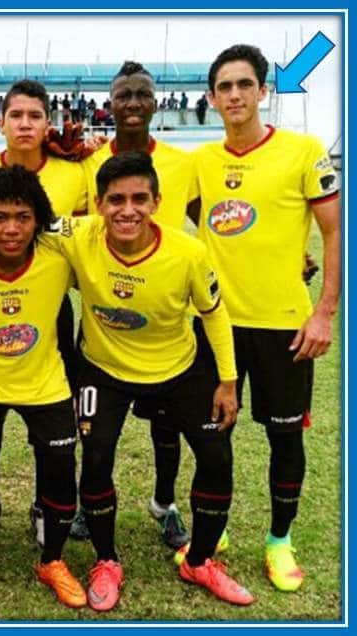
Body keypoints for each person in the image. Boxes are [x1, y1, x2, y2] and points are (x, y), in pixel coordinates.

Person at [0, 151, 254, 610]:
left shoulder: (188, 251)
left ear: (157, 201)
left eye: (140, 199)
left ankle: (200, 561)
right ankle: (105, 560)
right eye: (116, 200)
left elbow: (214, 312)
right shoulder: (76, 234)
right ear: (98, 204)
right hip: (104, 370)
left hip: (180, 366)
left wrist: (226, 379)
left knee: (217, 458)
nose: (128, 210)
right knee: (96, 459)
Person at [193, 44, 340, 592]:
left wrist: (324, 313)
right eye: (224, 87)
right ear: (211, 98)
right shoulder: (201, 162)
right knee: (213, 435)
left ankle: (280, 540)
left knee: (285, 440)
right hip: (216, 326)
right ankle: (215, 530)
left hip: (284, 326)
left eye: (244, 84)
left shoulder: (302, 152)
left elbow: (332, 233)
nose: (234, 95)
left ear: (262, 91)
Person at [0, 165, 84, 610]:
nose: (11, 228)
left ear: (38, 219)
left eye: (22, 217)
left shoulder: (59, 256)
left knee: (62, 467)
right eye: (0, 217)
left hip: (45, 382)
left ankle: (53, 560)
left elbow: (104, 235)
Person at [77, 61, 200, 549]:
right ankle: (92, 504)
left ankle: (164, 503)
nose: (131, 103)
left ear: (155, 101)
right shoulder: (87, 163)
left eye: (141, 94)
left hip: (167, 327)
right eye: (122, 95)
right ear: (108, 103)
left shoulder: (182, 163)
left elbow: (206, 226)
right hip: (104, 325)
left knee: (166, 429)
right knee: (97, 430)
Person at [0, 79, 86, 545]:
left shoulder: (75, 171)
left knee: (52, 409)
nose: (26, 124)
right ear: (1, 122)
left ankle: (43, 505)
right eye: (17, 116)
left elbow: (85, 235)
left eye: (35, 116)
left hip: (48, 302)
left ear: (47, 123)